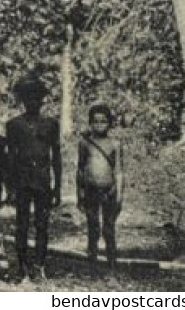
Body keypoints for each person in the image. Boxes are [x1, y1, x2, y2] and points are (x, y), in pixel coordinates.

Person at [6, 74, 62, 280]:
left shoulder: (51, 124)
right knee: (21, 224)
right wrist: (9, 187)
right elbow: (10, 157)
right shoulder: (14, 125)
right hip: (21, 180)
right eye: (28, 98)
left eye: (36, 98)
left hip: (42, 180)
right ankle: (20, 265)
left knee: (42, 224)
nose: (33, 102)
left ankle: (39, 264)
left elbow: (56, 155)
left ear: (42, 100)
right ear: (22, 100)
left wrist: (57, 187)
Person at [77, 103, 124, 268]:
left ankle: (111, 259)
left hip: (109, 191)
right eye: (95, 121)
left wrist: (119, 195)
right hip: (90, 190)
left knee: (109, 227)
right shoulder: (85, 143)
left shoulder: (115, 144)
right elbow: (81, 169)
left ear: (109, 123)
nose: (99, 125)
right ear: (90, 123)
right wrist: (79, 193)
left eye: (103, 121)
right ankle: (93, 258)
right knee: (93, 225)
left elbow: (118, 170)